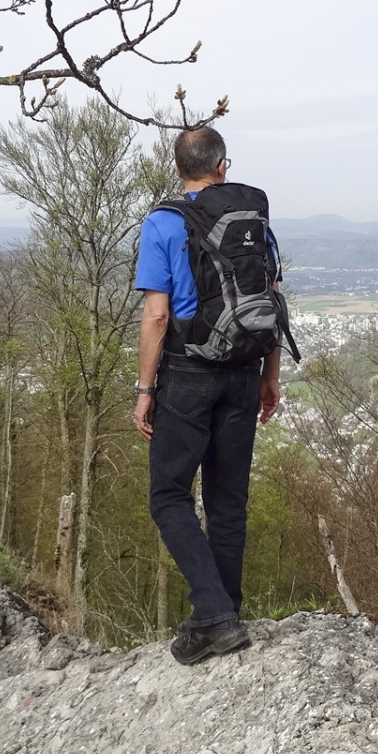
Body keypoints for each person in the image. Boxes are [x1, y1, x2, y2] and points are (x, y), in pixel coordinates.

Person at [132, 126, 282, 665]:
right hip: (244, 369)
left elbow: (156, 315)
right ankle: (224, 613)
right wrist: (270, 375)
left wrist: (145, 389)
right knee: (227, 501)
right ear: (222, 166)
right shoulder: (253, 219)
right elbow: (271, 299)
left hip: (187, 371)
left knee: (169, 496)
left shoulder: (163, 222)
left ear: (178, 169)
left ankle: (215, 615)